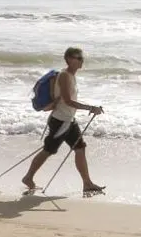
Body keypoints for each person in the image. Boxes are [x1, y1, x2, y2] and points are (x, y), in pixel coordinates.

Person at [21, 47, 105, 194]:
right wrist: (91, 108)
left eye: (82, 57)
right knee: (48, 150)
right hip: (61, 121)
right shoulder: (65, 76)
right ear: (70, 59)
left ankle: (87, 183)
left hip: (68, 121)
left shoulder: (71, 75)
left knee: (80, 148)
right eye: (78, 58)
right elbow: (67, 101)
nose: (81, 60)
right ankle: (28, 177)